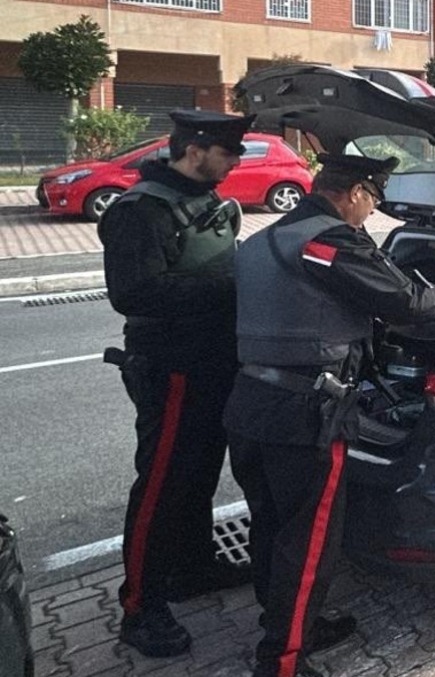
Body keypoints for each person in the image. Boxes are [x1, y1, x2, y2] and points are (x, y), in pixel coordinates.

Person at [224, 153, 435, 677]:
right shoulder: (328, 240)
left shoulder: (263, 240)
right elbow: (401, 301)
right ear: (356, 192)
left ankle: (291, 625)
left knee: (271, 526)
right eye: (373, 199)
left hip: (249, 403)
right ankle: (283, 661)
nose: (373, 210)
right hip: (304, 413)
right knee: (309, 543)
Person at [98, 109, 256, 658]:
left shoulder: (202, 197)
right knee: (161, 487)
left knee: (198, 477)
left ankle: (191, 568)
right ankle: (139, 607)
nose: (237, 162)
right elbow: (135, 293)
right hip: (172, 368)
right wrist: (231, 291)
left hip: (213, 362)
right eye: (228, 153)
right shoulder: (139, 211)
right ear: (194, 151)